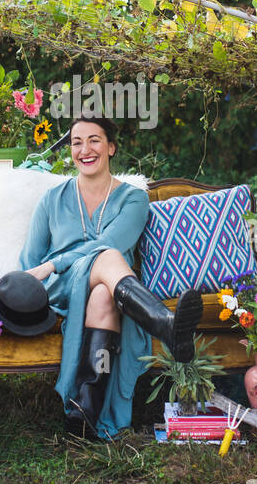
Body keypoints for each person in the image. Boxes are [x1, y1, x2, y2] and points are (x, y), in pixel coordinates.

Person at [17, 114, 202, 439]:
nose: (85, 149)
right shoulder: (52, 200)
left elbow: (111, 243)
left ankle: (84, 412)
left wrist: (54, 262)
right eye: (77, 142)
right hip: (61, 289)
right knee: (109, 259)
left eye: (94, 140)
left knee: (105, 283)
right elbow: (31, 262)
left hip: (112, 291)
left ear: (111, 147)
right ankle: (164, 324)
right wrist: (49, 270)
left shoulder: (133, 199)